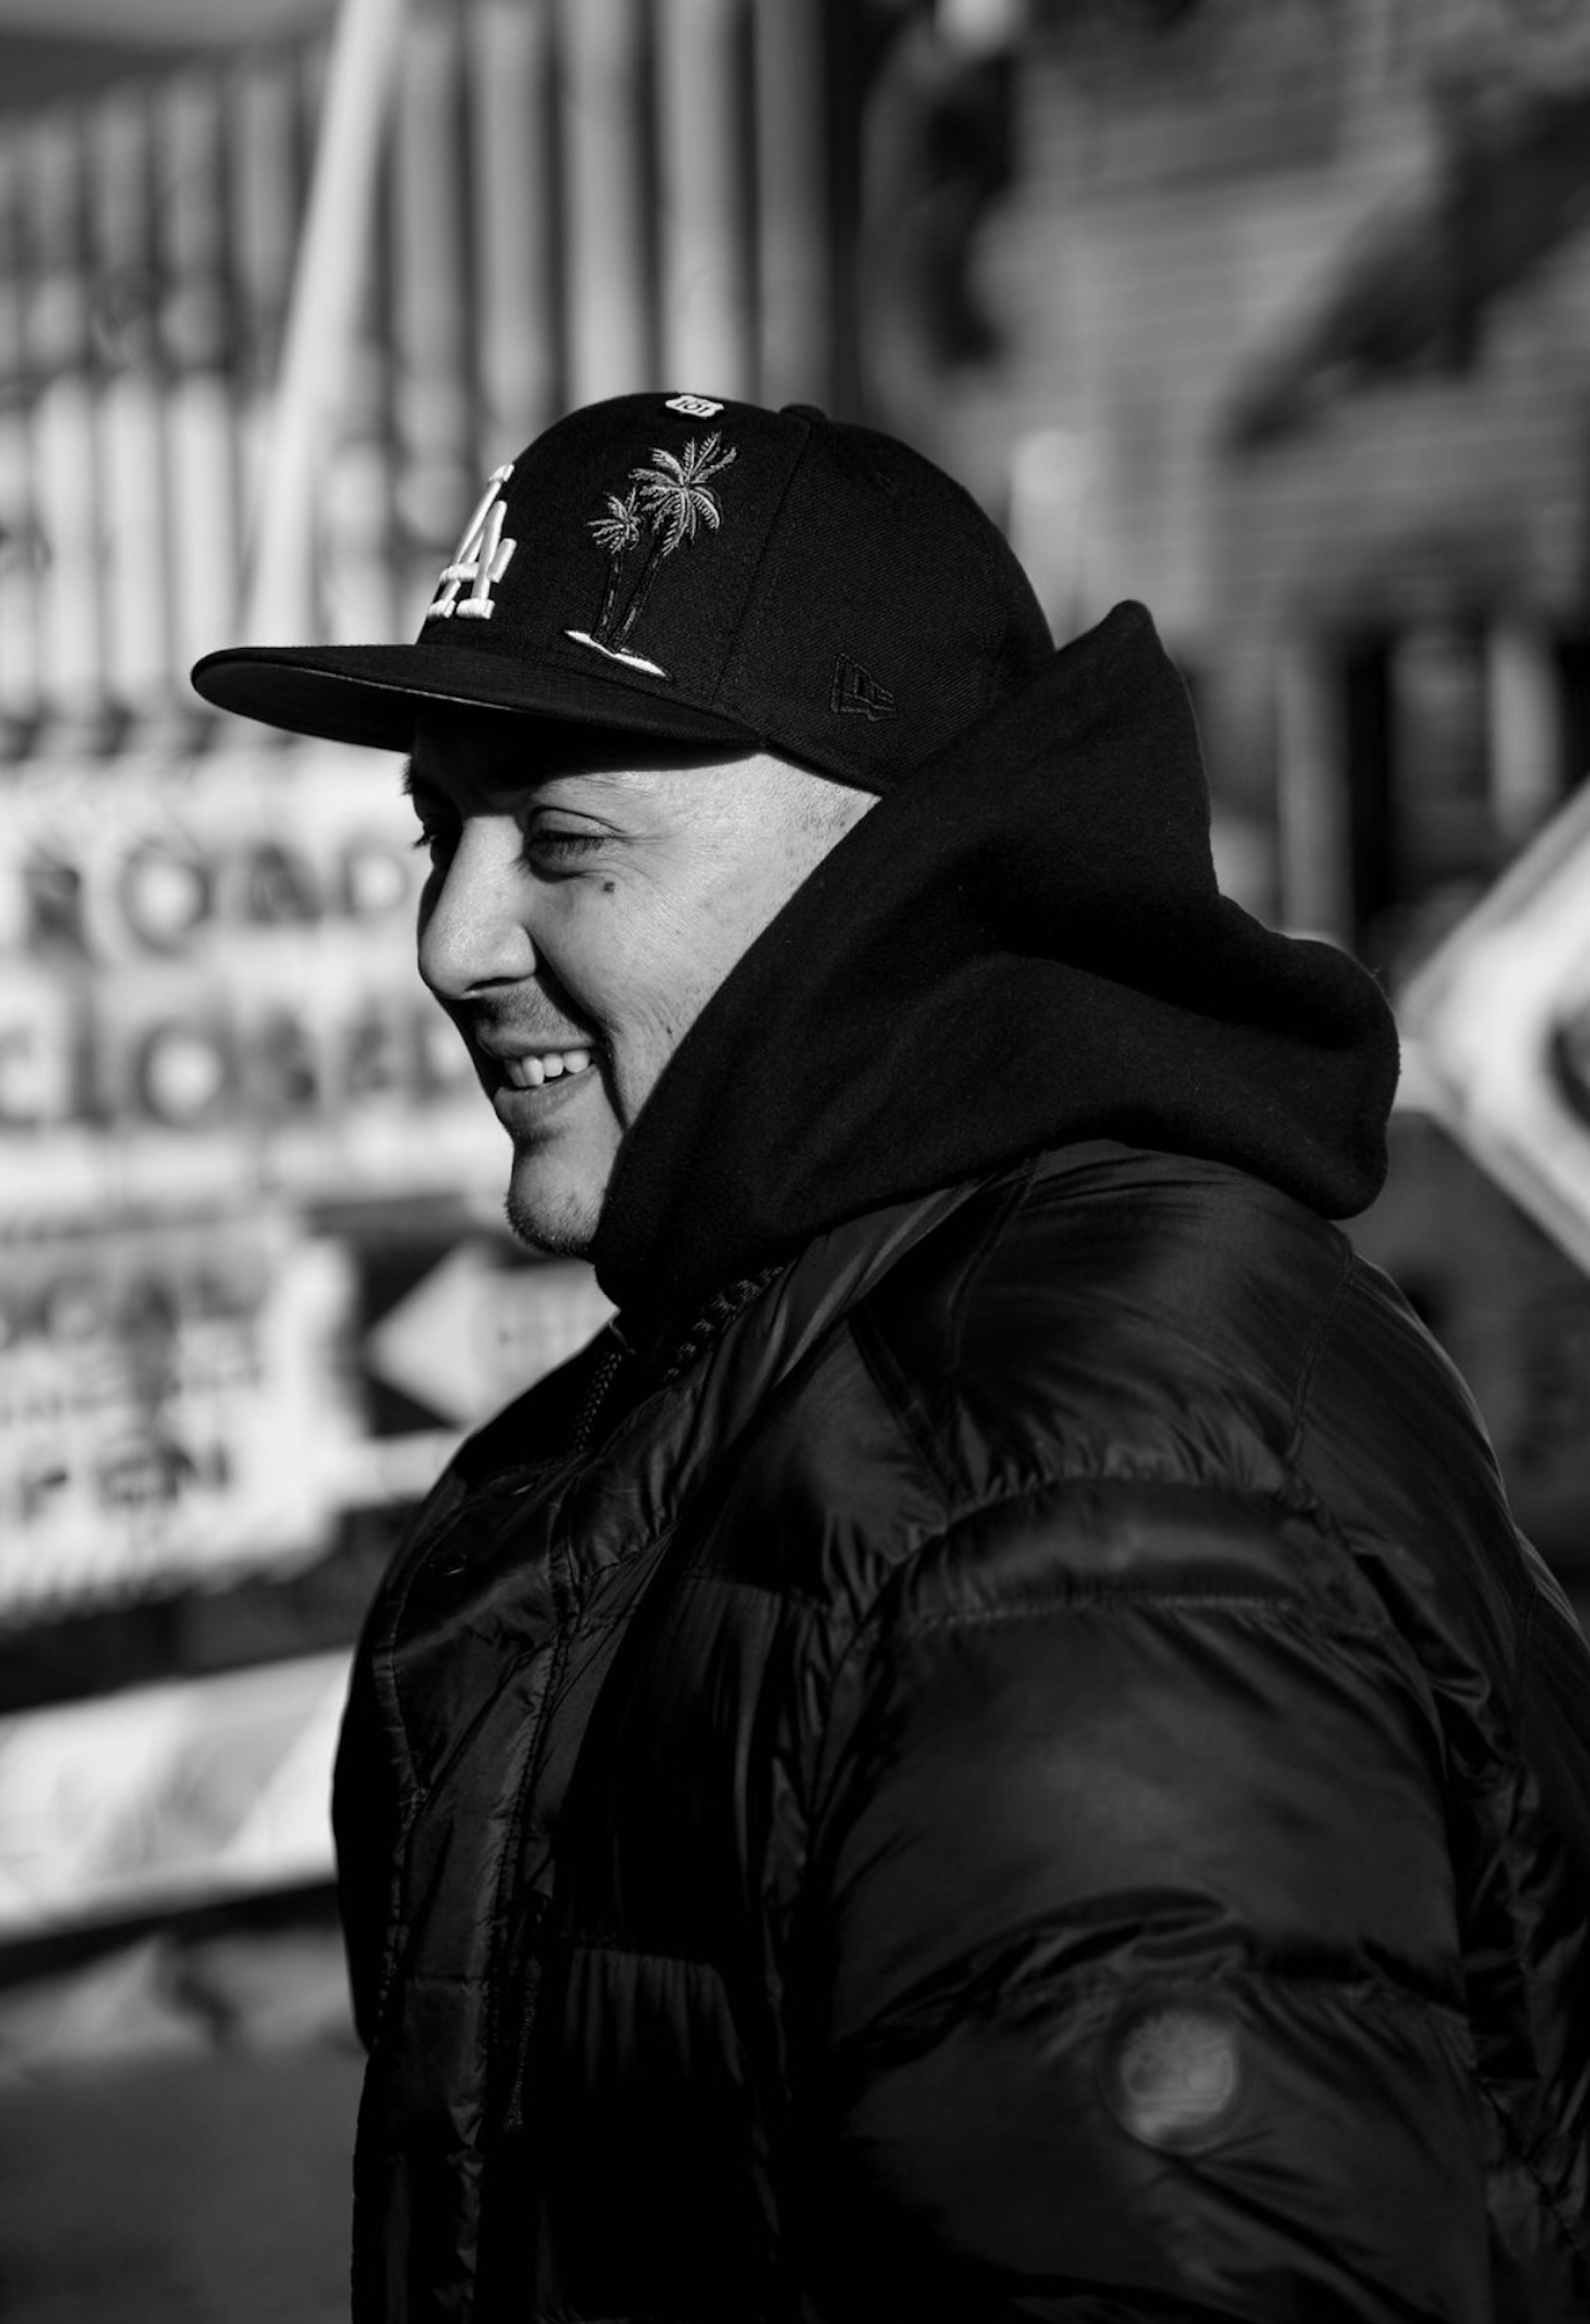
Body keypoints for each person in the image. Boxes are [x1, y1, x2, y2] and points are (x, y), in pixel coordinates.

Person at [192, 393, 1590, 2323]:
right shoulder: (810, 1359)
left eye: (566, 838)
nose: (454, 940)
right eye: (441, 830)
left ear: (893, 855)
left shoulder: (1079, 1467)